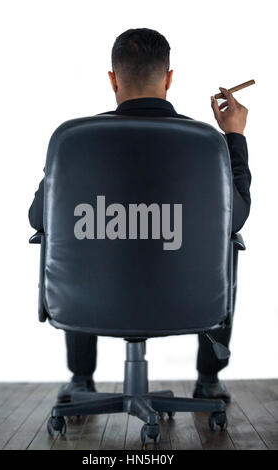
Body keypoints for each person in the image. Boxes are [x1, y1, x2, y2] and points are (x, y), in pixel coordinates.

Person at [29, 28, 251, 404]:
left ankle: (81, 380)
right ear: (168, 79)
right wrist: (233, 137)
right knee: (224, 248)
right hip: (187, 300)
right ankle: (208, 380)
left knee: (78, 238)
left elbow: (38, 218)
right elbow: (237, 219)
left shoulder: (76, 141)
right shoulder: (205, 145)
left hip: (93, 301)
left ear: (113, 80)